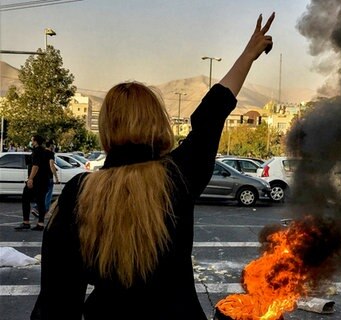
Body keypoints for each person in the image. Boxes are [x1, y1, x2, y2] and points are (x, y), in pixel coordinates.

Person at [32, 13, 275, 320]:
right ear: (158, 122)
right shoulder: (177, 176)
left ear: (106, 129)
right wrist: (247, 56)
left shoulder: (78, 193)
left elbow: (56, 301)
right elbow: (211, 115)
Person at [15, 135, 51, 231]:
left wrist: (30, 179)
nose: (31, 142)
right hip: (44, 180)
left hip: (36, 181)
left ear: (35, 141)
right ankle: (40, 223)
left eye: (32, 140)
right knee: (41, 202)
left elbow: (36, 166)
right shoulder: (46, 152)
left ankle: (26, 222)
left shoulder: (37, 152)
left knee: (25, 198)